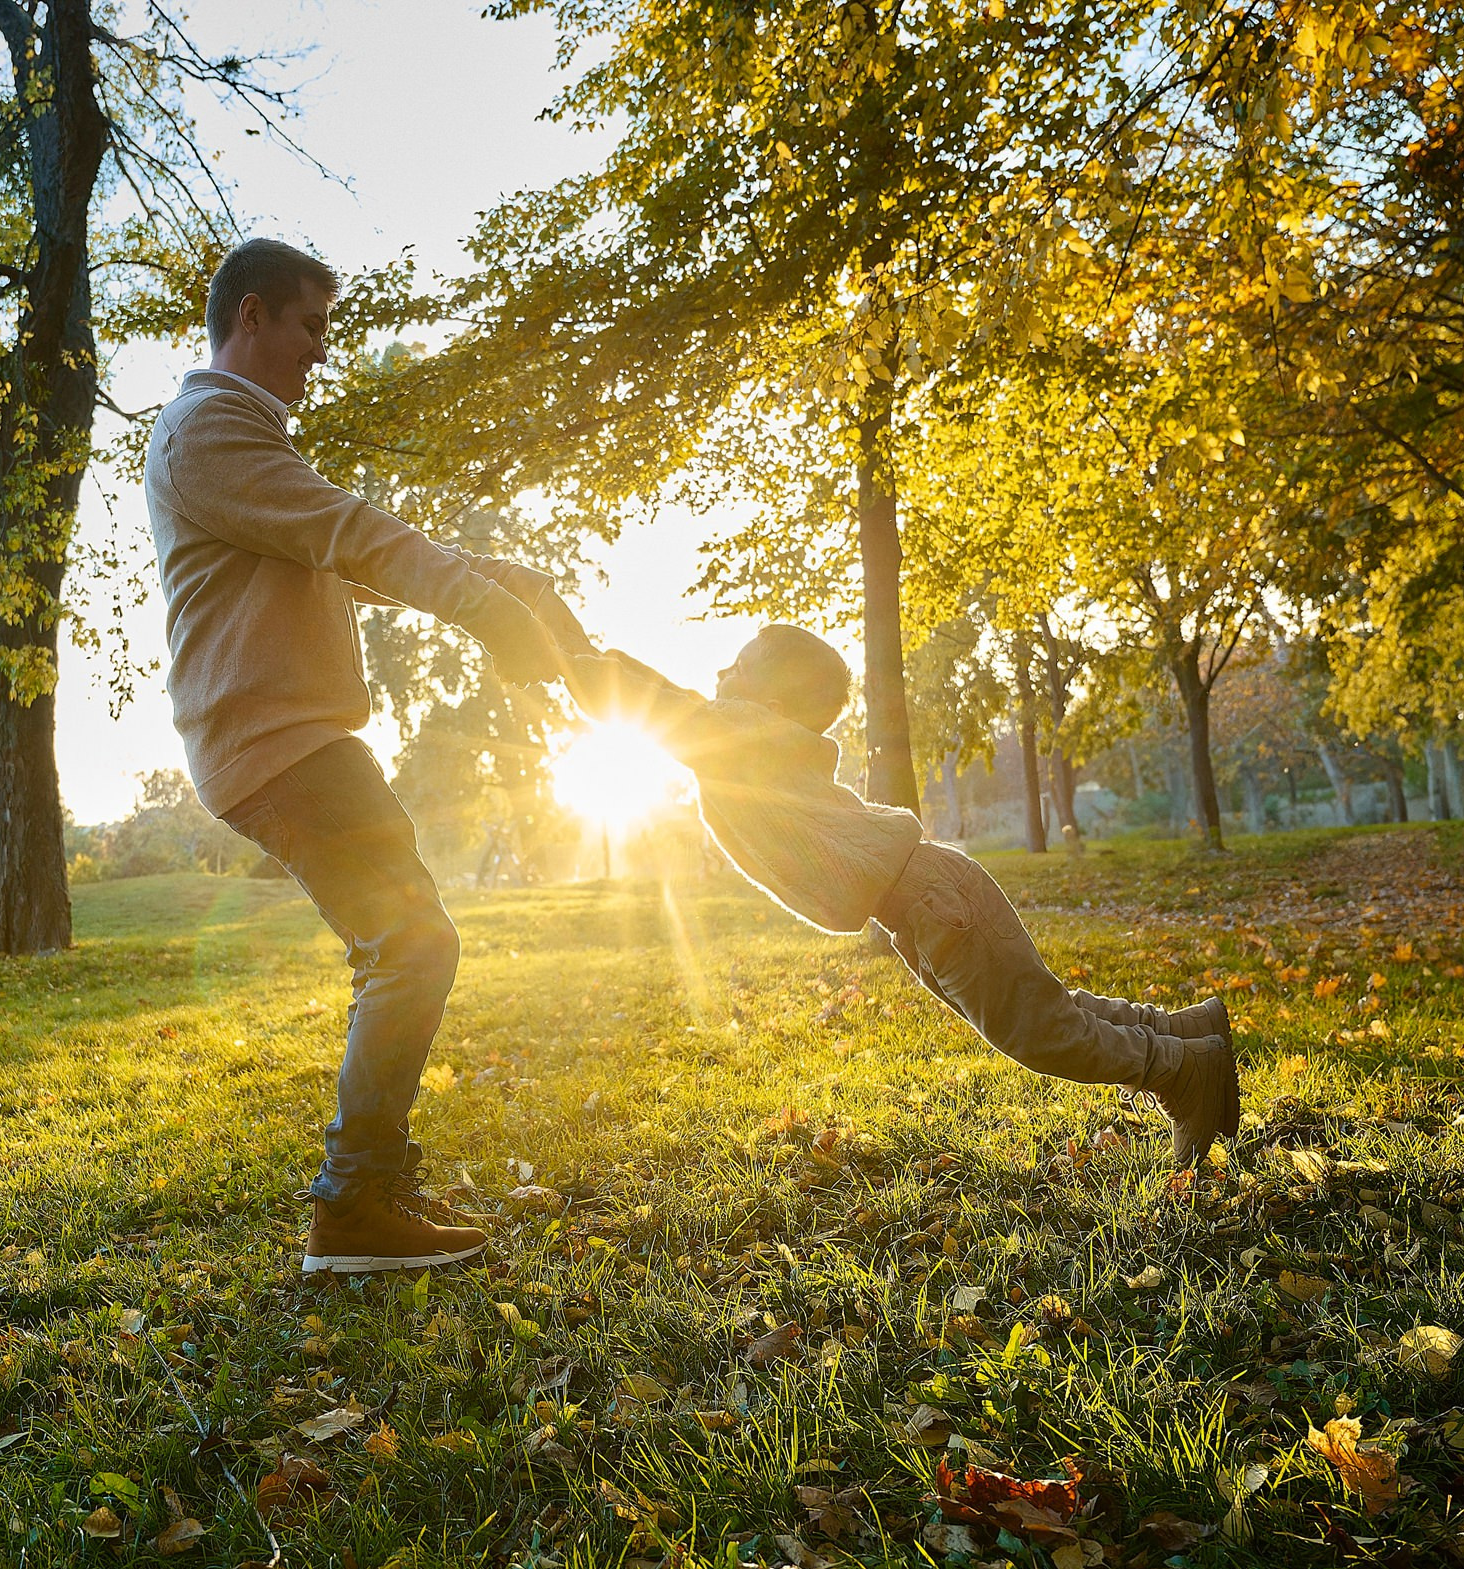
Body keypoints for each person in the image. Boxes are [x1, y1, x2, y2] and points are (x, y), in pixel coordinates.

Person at [145, 238, 585, 1274]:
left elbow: (343, 549)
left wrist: (501, 577)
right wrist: (484, 608)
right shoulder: (209, 431)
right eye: (310, 329)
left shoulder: (239, 437)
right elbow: (351, 534)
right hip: (275, 741)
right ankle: (352, 1205)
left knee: (406, 944)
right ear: (251, 316)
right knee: (411, 945)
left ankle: (366, 1189)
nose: (319, 355)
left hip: (288, 736)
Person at [563, 625, 1241, 1165]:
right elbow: (670, 699)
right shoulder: (747, 745)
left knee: (1040, 1032)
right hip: (925, 902)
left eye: (734, 670)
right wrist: (589, 655)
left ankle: (1180, 1072)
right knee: (1047, 1010)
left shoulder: (741, 738)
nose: (717, 679)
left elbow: (657, 704)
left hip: (932, 899)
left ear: (764, 705)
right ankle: (1188, 1032)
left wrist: (567, 662)